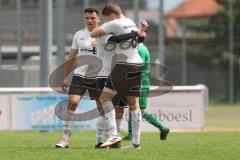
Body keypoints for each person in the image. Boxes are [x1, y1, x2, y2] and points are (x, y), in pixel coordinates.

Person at [91, 2, 148, 149]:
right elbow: (138, 39)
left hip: (125, 65)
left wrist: (136, 33)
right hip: (138, 64)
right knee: (133, 105)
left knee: (104, 98)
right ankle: (136, 143)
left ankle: (114, 134)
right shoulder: (130, 22)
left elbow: (93, 33)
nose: (107, 22)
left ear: (111, 15)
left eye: (107, 19)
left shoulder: (114, 23)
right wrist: (139, 32)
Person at [55, 8, 100, 148]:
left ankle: (101, 139)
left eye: (92, 18)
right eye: (87, 18)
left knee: (102, 107)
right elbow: (72, 57)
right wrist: (65, 76)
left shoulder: (105, 35)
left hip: (99, 75)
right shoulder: (79, 35)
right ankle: (65, 138)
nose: (89, 21)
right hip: (80, 75)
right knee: (72, 102)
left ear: (98, 19)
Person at [122, 43, 170, 141]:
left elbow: (138, 66)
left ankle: (163, 128)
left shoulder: (140, 49)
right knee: (133, 108)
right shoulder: (139, 48)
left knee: (140, 111)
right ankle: (131, 134)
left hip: (141, 82)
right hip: (138, 82)